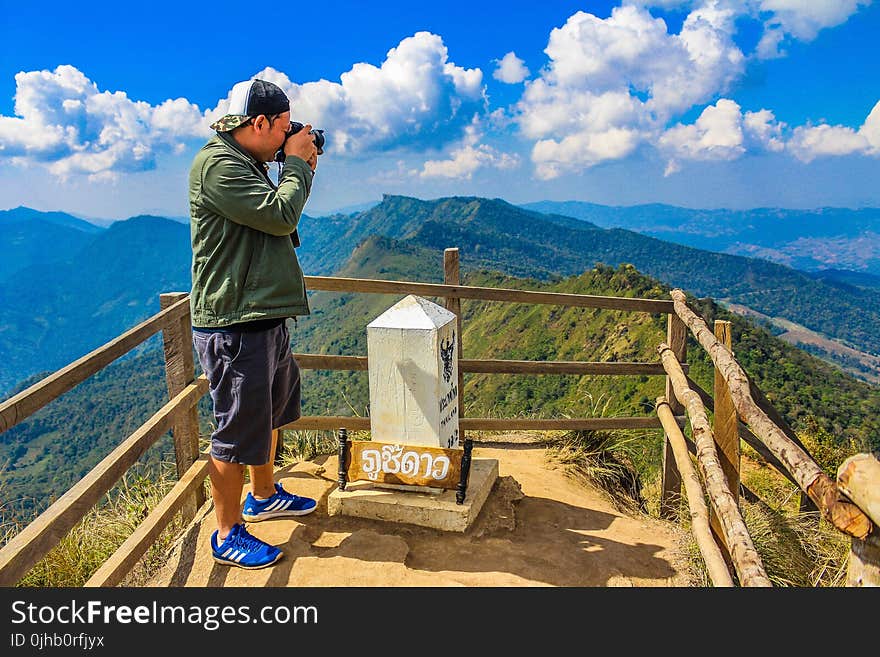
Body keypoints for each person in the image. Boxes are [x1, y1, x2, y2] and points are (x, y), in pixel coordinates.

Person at [188, 78, 319, 569]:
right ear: (259, 123)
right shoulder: (219, 165)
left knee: (268, 414)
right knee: (237, 429)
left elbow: (275, 223)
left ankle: (263, 496)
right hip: (234, 321)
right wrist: (298, 167)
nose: (289, 138)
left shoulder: (247, 162)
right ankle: (226, 534)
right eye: (284, 129)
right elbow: (281, 217)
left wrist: (293, 164)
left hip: (262, 314)